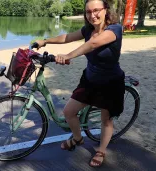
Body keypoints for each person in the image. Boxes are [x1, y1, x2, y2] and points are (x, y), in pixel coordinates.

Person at [35, 0, 125, 167]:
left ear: (105, 10)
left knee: (106, 119)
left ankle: (101, 151)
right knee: (69, 112)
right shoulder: (87, 30)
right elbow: (67, 37)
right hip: (90, 79)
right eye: (88, 12)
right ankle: (77, 138)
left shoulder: (115, 29)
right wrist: (45, 41)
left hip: (110, 82)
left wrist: (68, 56)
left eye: (96, 10)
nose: (92, 15)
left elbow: (93, 44)